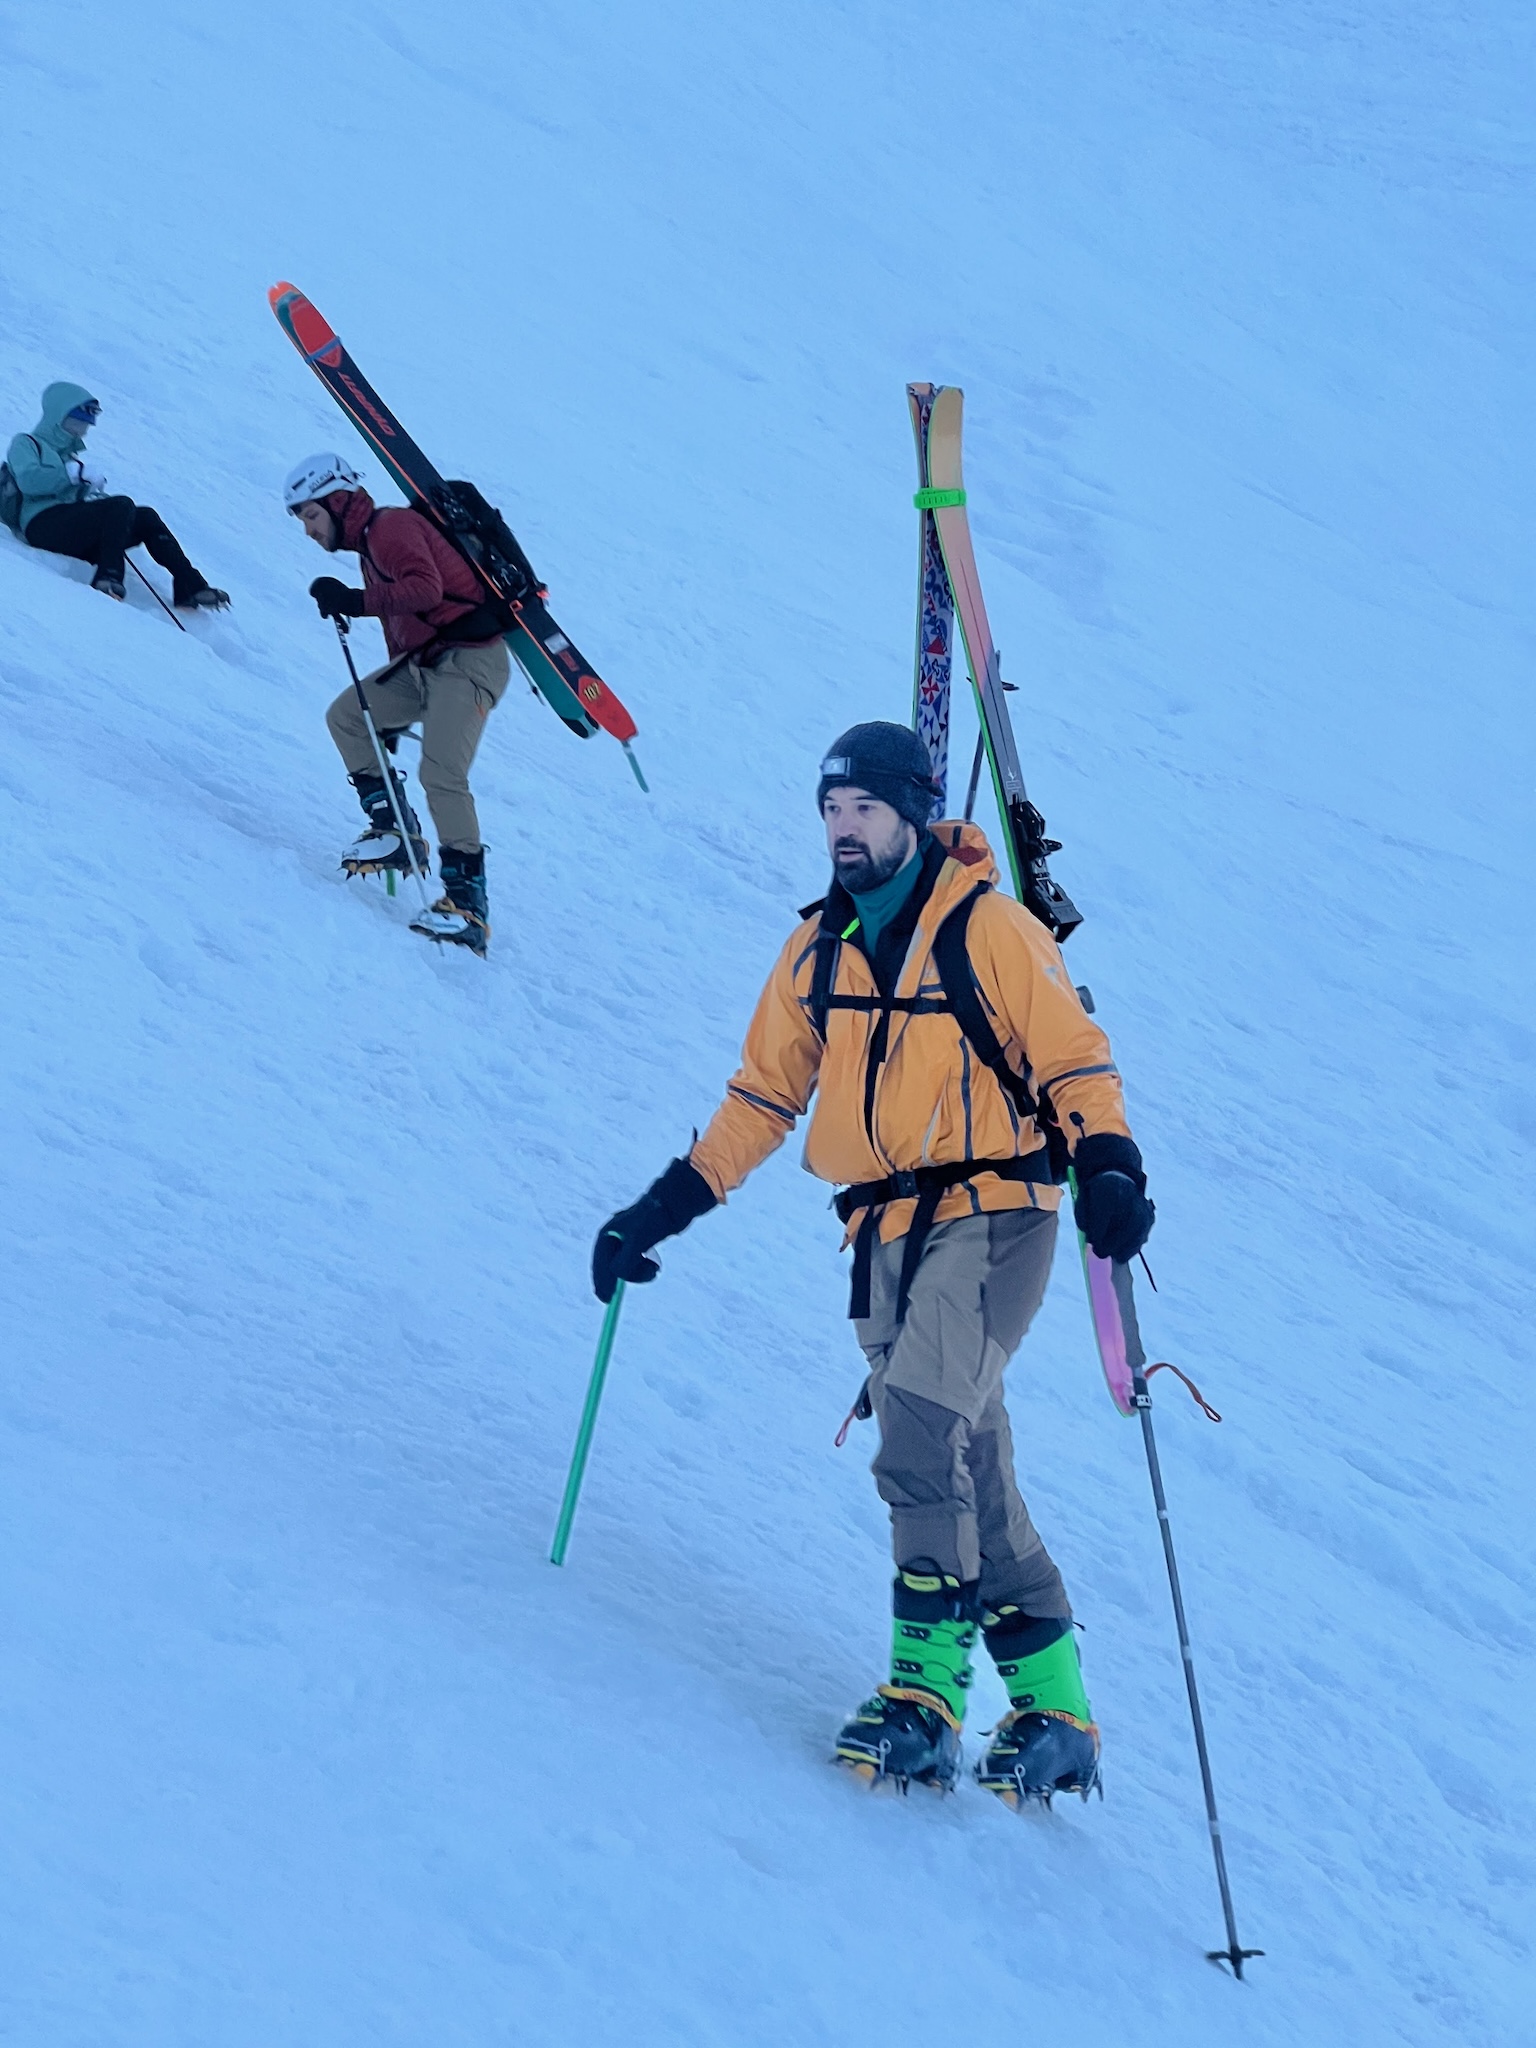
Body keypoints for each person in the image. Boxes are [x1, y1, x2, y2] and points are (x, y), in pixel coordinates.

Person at [592, 721, 1156, 1804]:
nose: (841, 831)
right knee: (970, 1465)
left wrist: (1112, 1167)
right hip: (879, 1235)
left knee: (921, 1429)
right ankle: (1057, 1710)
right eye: (829, 811)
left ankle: (925, 1697)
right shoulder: (817, 947)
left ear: (911, 812)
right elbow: (763, 1094)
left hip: (996, 1213)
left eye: (861, 809)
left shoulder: (990, 928)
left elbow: (1074, 1056)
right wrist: (661, 1208)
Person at [284, 452, 512, 955]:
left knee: (442, 775)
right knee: (348, 716)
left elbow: (425, 590)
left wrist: (354, 601)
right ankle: (395, 832)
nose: (308, 530)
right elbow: (407, 618)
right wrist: (387, 712)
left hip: (468, 662)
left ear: (338, 500)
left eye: (311, 516)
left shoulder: (391, 528)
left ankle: (467, 907)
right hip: (425, 665)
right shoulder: (371, 543)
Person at [8, 383, 228, 608]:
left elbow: (74, 499)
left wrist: (90, 493)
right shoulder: (26, 443)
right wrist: (72, 475)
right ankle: (109, 576)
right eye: (75, 422)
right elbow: (28, 481)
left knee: (145, 516)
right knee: (121, 505)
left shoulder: (70, 456)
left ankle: (191, 585)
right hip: (41, 524)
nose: (81, 429)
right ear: (58, 415)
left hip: (69, 530)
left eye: (84, 424)